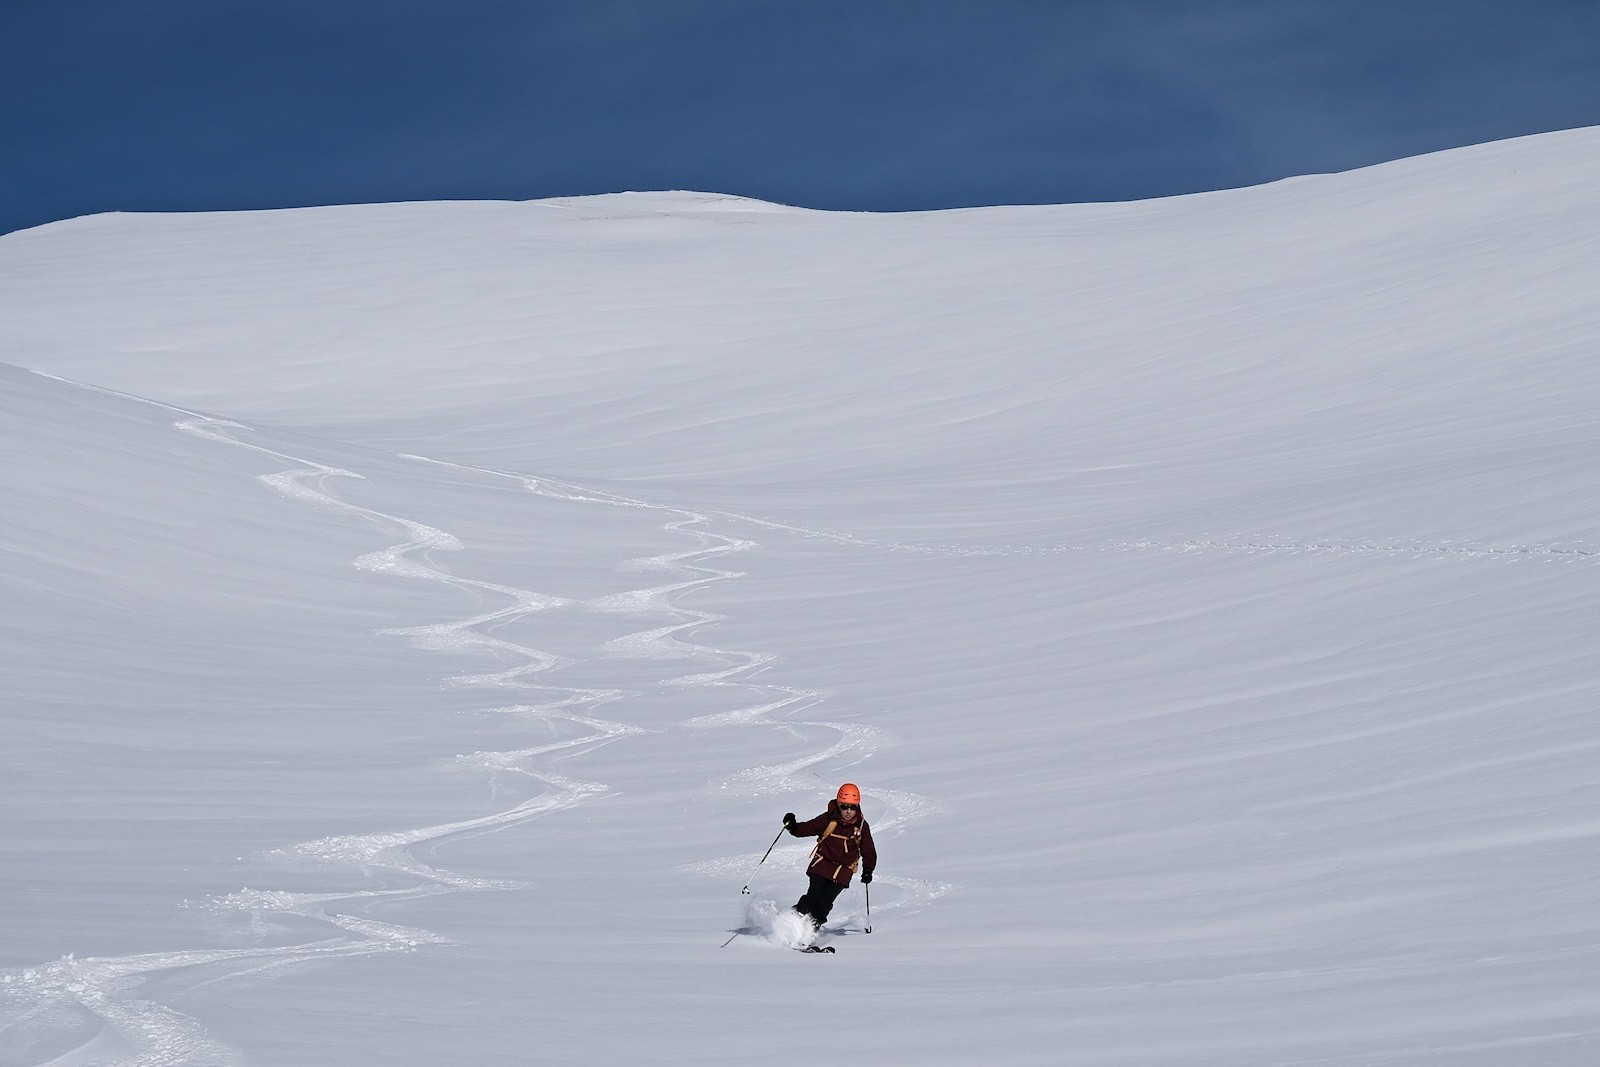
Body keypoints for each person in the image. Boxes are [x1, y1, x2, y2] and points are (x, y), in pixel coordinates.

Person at [782, 782, 877, 932]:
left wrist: (868, 870)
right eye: (844, 806)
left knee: (825, 902)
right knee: (813, 895)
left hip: (843, 870)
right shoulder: (828, 819)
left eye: (852, 807)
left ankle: (810, 931)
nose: (848, 811)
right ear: (838, 804)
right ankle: (792, 919)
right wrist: (793, 826)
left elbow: (868, 851)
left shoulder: (861, 827)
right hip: (822, 864)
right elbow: (807, 828)